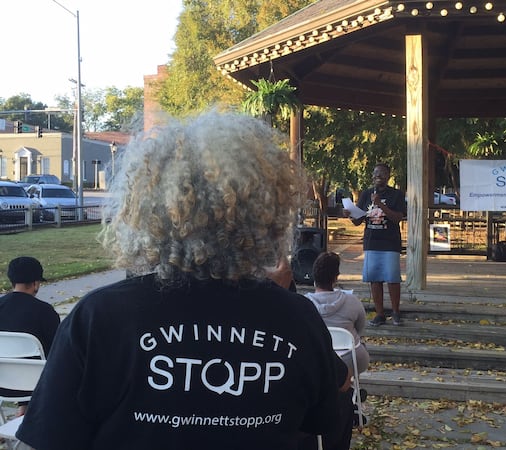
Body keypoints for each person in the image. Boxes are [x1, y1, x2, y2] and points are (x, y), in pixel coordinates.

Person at [17, 111, 342, 450]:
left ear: (147, 207)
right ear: (266, 211)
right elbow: (318, 423)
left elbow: (45, 439)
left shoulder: (100, 317)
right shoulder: (297, 319)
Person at [343, 163, 406, 327]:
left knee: (392, 279)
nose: (378, 176)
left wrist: (380, 204)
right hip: (371, 242)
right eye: (376, 174)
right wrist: (350, 215)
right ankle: (380, 314)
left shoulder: (396, 195)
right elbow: (359, 220)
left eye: (382, 174)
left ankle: (396, 312)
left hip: (390, 242)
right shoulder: (366, 194)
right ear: (372, 176)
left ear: (388, 176)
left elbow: (398, 218)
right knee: (374, 279)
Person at [0, 256, 60, 416]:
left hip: (3, 383)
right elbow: (58, 350)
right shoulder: (44, 311)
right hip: (38, 386)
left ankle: (23, 410)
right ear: (35, 283)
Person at [305, 252, 369, 375]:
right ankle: (351, 388)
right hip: (349, 358)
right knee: (360, 347)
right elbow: (360, 328)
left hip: (316, 359)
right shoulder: (352, 301)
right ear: (335, 278)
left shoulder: (304, 304)